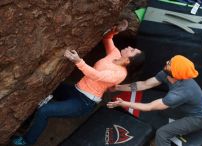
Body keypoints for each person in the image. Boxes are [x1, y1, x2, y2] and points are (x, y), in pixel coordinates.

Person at [12, 20, 145, 146]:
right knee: (48, 87)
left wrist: (78, 61)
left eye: (132, 50)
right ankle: (26, 122)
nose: (129, 47)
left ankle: (26, 141)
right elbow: (107, 39)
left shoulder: (120, 74)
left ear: (128, 61)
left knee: (44, 111)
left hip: (83, 102)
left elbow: (96, 75)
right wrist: (115, 31)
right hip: (75, 90)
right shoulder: (115, 54)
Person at [107, 55, 202, 146]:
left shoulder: (181, 92)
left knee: (162, 133)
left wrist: (124, 103)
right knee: (163, 111)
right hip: (187, 107)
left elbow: (149, 107)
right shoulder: (166, 74)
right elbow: (145, 84)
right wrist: (118, 87)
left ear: (175, 72)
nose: (167, 61)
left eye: (170, 63)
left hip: (198, 117)